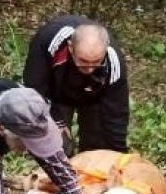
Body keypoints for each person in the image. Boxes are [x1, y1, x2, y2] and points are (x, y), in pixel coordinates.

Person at [23, 15, 130, 155]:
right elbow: (35, 89)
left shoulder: (114, 61)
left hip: (95, 94)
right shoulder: (47, 42)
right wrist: (56, 121)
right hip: (55, 90)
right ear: (71, 48)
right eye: (83, 61)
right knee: (56, 144)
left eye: (96, 61)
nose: (90, 68)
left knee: (101, 147)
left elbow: (116, 113)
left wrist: (118, 154)